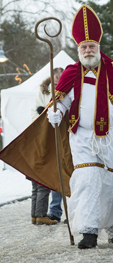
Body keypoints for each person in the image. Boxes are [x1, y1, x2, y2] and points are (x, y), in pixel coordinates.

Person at [0, 4, 113, 249]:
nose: (87, 50)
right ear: (78, 49)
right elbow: (61, 102)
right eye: (83, 47)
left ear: (98, 47)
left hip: (112, 138)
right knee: (86, 181)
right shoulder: (71, 73)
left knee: (111, 184)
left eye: (91, 46)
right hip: (82, 138)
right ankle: (88, 231)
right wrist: (56, 112)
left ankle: (112, 228)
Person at [30, 67, 63, 225]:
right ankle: (46, 212)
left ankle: (61, 212)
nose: (57, 79)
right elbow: (33, 115)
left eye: (60, 76)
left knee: (62, 175)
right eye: (55, 76)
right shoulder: (43, 93)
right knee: (45, 179)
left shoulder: (65, 92)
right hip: (45, 137)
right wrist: (43, 114)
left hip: (61, 137)